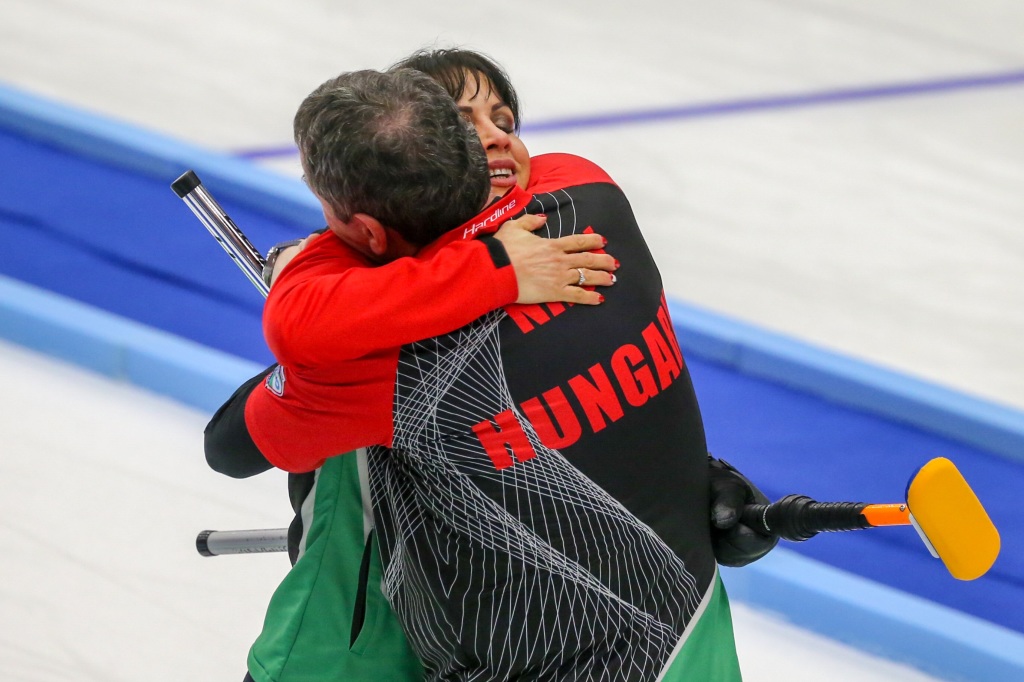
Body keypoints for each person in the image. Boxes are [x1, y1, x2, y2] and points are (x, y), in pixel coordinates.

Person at [208, 53, 774, 682]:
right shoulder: (589, 195)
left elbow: (239, 430)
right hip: (692, 641)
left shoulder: (383, 354)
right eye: (460, 123)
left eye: (501, 116)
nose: (494, 135)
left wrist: (327, 265)